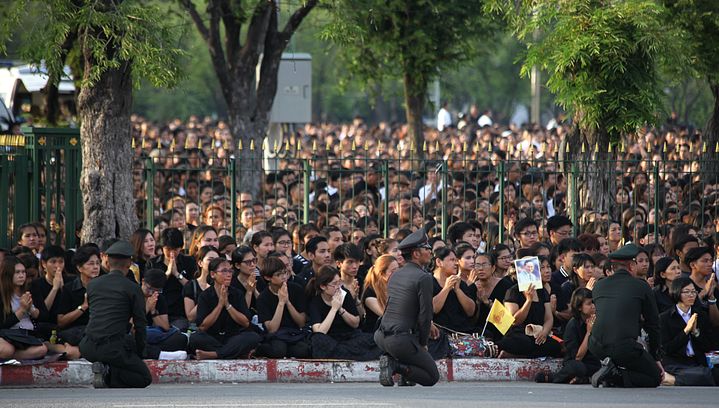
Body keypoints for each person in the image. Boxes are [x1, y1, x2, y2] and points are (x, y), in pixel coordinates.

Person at [79, 241, 152, 389]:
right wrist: (140, 352)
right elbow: (140, 324)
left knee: (124, 347)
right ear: (129, 263)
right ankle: (109, 375)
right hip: (112, 347)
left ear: (107, 261)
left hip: (87, 346)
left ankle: (104, 366)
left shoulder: (92, 285)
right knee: (144, 378)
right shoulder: (131, 288)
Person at [589, 244, 663, 388]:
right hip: (623, 347)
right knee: (654, 377)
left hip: (596, 345)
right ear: (631, 266)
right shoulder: (641, 286)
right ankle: (615, 375)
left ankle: (611, 372)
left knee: (629, 357)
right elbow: (653, 324)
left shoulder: (599, 285)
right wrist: (655, 357)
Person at [375, 228, 440, 387]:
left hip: (381, 336)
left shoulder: (396, 274)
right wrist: (423, 344)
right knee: (431, 377)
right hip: (400, 341)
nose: (430, 252)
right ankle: (396, 366)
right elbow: (425, 316)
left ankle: (406, 373)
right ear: (416, 254)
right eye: (427, 249)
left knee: (414, 343)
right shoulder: (424, 277)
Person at [188, 257, 262, 359]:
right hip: (212, 337)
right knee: (195, 338)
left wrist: (227, 305)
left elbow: (245, 322)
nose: (229, 274)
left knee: (253, 337)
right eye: (224, 271)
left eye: (230, 271)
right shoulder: (205, 296)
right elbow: (203, 326)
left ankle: (215, 354)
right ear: (213, 274)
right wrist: (220, 305)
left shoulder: (237, 294)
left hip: (233, 337)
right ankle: (233, 352)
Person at [307, 265, 381, 361]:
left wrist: (341, 309)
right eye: (334, 284)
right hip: (331, 339)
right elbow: (320, 331)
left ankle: (344, 354)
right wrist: (333, 309)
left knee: (374, 340)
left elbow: (356, 323)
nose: (338, 287)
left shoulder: (344, 294)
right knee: (318, 341)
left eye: (339, 283)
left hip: (349, 337)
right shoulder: (315, 302)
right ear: (323, 286)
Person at [659, 277, 719, 386]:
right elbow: (666, 349)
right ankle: (674, 379)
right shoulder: (665, 318)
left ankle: (673, 380)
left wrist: (696, 332)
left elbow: (708, 346)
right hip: (676, 363)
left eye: (693, 292)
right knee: (703, 375)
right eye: (686, 292)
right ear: (676, 292)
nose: (691, 295)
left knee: (711, 373)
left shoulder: (700, 315)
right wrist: (686, 331)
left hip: (696, 362)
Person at [536, 288, 600, 384]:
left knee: (601, 369)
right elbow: (578, 357)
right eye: (589, 304)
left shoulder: (596, 320)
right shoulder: (573, 325)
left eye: (593, 303)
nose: (593, 306)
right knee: (578, 368)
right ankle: (554, 377)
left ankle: (583, 379)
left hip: (592, 363)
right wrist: (588, 332)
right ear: (579, 307)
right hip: (576, 362)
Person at [255, 257, 309, 358]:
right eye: (278, 274)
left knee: (303, 350)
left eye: (284, 273)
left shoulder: (296, 289)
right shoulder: (263, 297)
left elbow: (301, 322)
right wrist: (281, 302)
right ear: (268, 278)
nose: (284, 277)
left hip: (294, 334)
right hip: (276, 336)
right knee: (278, 350)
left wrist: (287, 301)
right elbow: (272, 329)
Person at [55, 245, 102, 360]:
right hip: (76, 334)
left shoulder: (104, 287)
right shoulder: (69, 289)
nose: (95, 267)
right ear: (80, 267)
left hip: (99, 332)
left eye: (97, 263)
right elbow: (61, 321)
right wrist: (83, 307)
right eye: (91, 264)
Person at [146, 228, 197, 331]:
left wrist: (177, 274)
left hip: (179, 313)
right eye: (168, 249)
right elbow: (149, 288)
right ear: (162, 248)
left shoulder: (189, 262)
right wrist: (167, 274)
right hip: (157, 312)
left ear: (181, 248)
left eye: (176, 249)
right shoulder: (152, 263)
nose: (172, 253)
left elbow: (193, 288)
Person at [0, 256, 47, 361]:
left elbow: (44, 316)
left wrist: (31, 309)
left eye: (23, 272)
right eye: (17, 273)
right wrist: (21, 310)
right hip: (7, 335)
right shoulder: (2, 293)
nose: (21, 276)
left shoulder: (32, 289)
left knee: (42, 349)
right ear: (7, 275)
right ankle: (9, 354)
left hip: (26, 334)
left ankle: (11, 356)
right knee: (6, 349)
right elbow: (2, 324)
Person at [140, 269, 188, 360]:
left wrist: (153, 311)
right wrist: (146, 308)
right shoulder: (133, 295)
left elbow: (165, 327)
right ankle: (160, 354)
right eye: (149, 288)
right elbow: (130, 325)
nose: (151, 293)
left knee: (180, 338)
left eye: (155, 291)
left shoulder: (159, 298)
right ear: (143, 282)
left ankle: (154, 352)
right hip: (137, 333)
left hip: (155, 335)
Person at [361, 255, 398, 333]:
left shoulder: (395, 286)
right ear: (382, 274)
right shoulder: (370, 293)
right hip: (375, 333)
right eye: (393, 271)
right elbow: (387, 315)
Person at [184, 246, 219, 326]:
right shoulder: (191, 286)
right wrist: (207, 293)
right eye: (210, 260)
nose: (215, 263)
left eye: (217, 260)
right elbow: (191, 317)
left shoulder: (223, 284)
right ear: (200, 263)